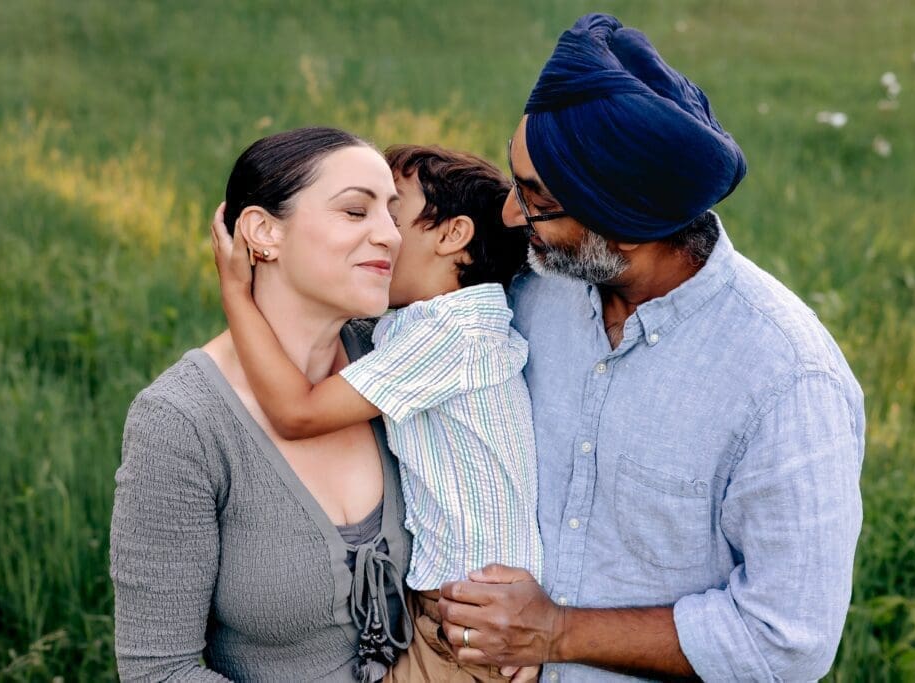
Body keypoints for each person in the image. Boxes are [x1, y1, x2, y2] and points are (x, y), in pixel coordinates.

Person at [436, 13, 865, 682]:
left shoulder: (788, 380)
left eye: (538, 198)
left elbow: (787, 638)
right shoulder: (528, 283)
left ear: (625, 228)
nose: (512, 214)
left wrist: (553, 631)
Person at [211, 144, 542, 683]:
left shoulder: (447, 335)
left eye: (395, 212)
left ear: (452, 236)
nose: (383, 234)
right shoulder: (443, 327)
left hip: (467, 626)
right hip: (458, 611)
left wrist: (235, 292)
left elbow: (297, 412)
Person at [110, 127, 414, 682]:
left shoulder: (397, 359)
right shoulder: (183, 421)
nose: (390, 236)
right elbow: (159, 673)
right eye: (355, 212)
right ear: (263, 232)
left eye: (393, 215)